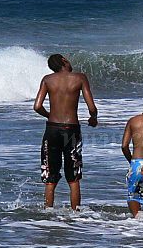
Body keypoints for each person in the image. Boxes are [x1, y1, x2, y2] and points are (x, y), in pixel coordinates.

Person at [32, 53, 98, 210]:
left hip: (52, 129)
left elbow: (37, 106)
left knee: (50, 178)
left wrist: (50, 115)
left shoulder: (47, 80)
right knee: (73, 178)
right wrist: (93, 118)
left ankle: (48, 213)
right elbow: (92, 108)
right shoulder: (80, 78)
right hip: (71, 130)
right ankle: (76, 215)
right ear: (63, 61)